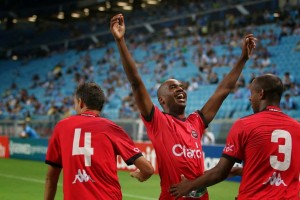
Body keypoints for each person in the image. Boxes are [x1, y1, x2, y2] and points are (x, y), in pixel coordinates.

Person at [110, 13, 256, 200]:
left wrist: (243, 58)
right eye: (172, 88)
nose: (180, 90)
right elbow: (136, 83)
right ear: (161, 100)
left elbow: (223, 90)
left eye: (181, 87)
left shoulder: (196, 121)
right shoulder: (156, 120)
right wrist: (121, 41)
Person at [169, 74, 300, 199]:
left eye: (251, 93)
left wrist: (189, 186)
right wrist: (242, 171)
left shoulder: (245, 124)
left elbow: (220, 172)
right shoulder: (297, 127)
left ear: (261, 94)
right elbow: (279, 169)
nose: (250, 98)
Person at [44, 82, 154, 200]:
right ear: (100, 106)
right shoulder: (111, 128)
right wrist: (143, 174)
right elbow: (148, 169)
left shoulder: (62, 127)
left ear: (80, 102)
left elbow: (51, 178)